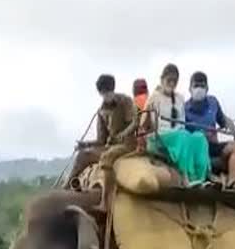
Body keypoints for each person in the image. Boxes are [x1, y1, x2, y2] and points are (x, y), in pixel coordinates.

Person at [65, 74, 137, 211]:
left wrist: (122, 134)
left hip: (127, 145)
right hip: (109, 146)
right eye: (104, 93)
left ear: (113, 89)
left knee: (107, 157)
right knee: (82, 155)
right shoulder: (101, 111)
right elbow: (100, 140)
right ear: (100, 93)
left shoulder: (126, 101)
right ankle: (68, 187)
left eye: (109, 91)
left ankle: (105, 202)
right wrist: (84, 145)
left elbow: (134, 123)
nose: (107, 95)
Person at [184, 71, 235, 189]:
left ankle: (232, 182)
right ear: (190, 89)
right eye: (196, 86)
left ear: (207, 88)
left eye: (202, 86)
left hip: (214, 146)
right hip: (196, 150)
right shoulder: (184, 109)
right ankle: (203, 179)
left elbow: (222, 120)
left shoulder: (213, 102)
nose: (199, 89)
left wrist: (231, 126)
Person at [140, 63, 186, 134]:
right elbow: (143, 125)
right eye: (169, 80)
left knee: (199, 137)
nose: (172, 83)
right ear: (162, 79)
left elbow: (182, 124)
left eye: (175, 80)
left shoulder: (180, 98)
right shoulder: (154, 98)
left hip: (178, 135)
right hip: (160, 137)